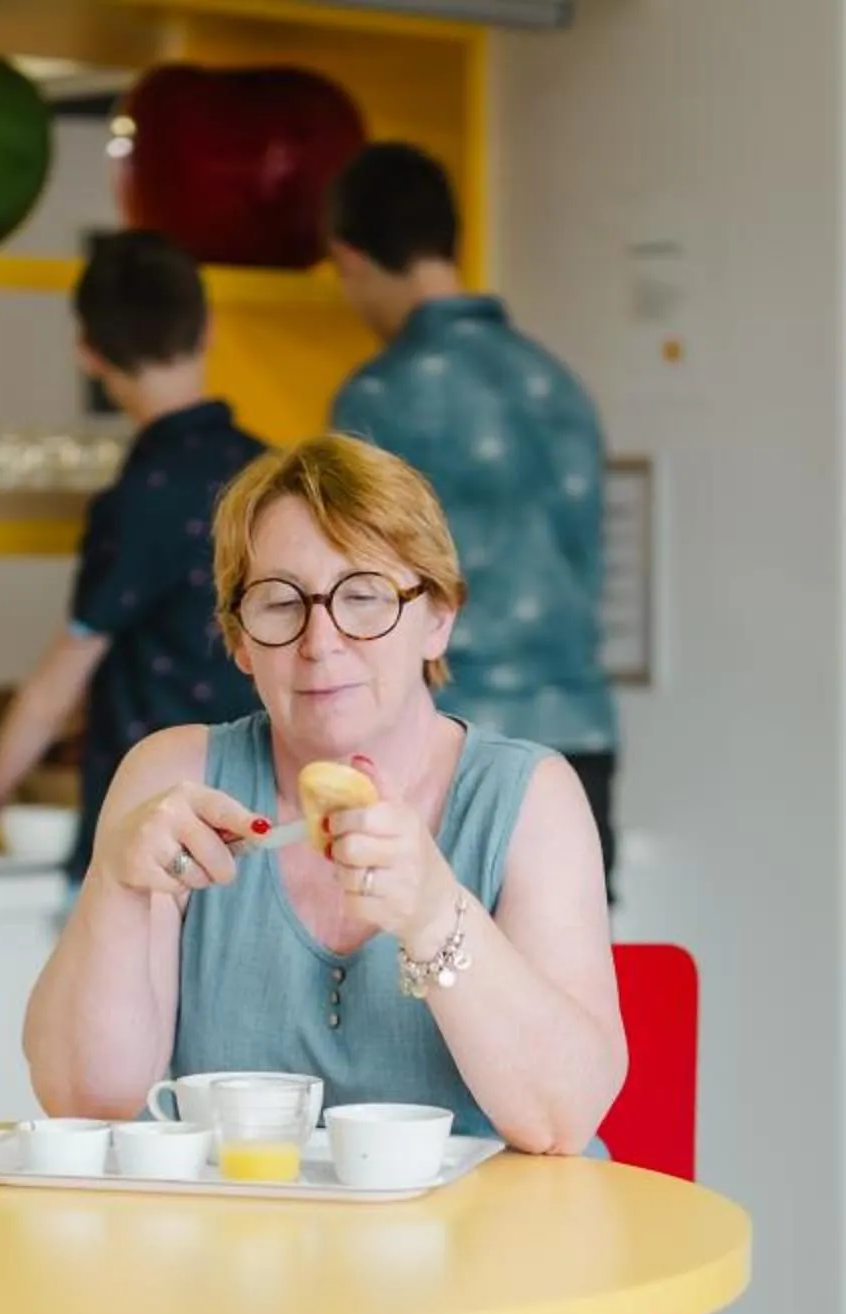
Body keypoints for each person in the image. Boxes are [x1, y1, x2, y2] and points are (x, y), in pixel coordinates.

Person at [21, 433, 663, 1314]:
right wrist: (122, 892)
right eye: (279, 602)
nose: (323, 645)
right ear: (236, 636)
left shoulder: (525, 795)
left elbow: (562, 1114)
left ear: (437, 617)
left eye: (364, 597)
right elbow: (85, 1088)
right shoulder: (177, 776)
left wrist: (435, 910)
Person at [324, 140, 621, 896]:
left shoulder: (378, 397)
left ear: (350, 257)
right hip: (579, 740)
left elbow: (356, 594)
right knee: (562, 996)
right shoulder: (557, 382)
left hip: (452, 749)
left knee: (428, 998)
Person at [0, 229, 267, 877]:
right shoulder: (274, 473)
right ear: (207, 329)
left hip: (154, 835)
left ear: (88, 353)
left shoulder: (138, 498)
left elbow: (53, 689)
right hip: (263, 815)